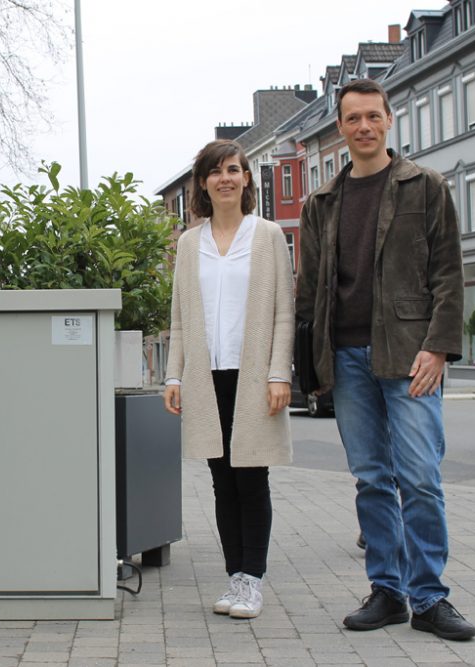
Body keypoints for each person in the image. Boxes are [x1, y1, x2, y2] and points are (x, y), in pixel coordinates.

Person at [296, 78, 475, 641]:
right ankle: (388, 591)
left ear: (389, 120)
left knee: (419, 477)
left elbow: (448, 271)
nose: (364, 126)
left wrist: (440, 346)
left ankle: (430, 597)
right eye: (354, 119)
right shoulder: (321, 202)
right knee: (371, 478)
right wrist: (309, 366)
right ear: (341, 127)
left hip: (411, 354)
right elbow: (311, 290)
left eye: (373, 116)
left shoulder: (425, 186)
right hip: (346, 356)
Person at [163, 139, 294, 620]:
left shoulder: (268, 236)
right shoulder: (187, 244)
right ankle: (234, 576)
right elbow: (178, 317)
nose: (226, 178)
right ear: (203, 182)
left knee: (251, 476)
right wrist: (172, 375)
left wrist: (280, 372)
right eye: (215, 171)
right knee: (222, 480)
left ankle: (251, 580)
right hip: (205, 374)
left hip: (254, 375)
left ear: (245, 179)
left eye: (234, 170)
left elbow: (283, 312)